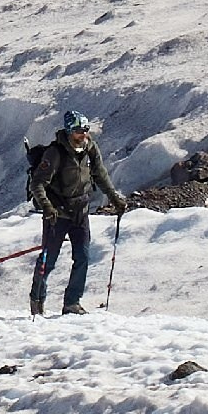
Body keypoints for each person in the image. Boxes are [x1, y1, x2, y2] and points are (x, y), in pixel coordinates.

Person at [28, 110, 128, 315]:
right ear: (68, 131)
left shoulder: (90, 149)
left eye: (85, 130)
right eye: (78, 131)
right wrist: (47, 207)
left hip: (80, 211)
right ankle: (37, 298)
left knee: (82, 256)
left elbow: (100, 174)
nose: (83, 134)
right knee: (49, 259)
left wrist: (114, 196)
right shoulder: (55, 153)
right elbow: (38, 183)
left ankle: (72, 302)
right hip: (57, 213)